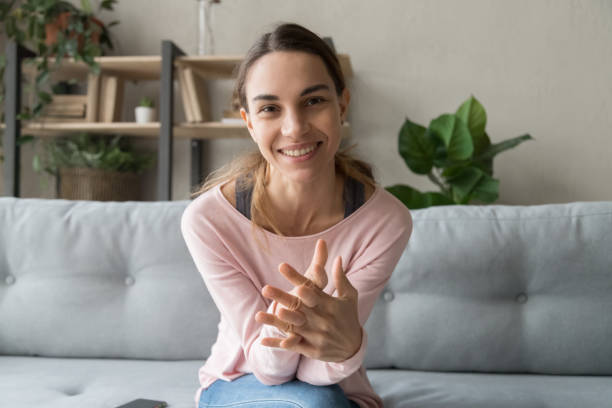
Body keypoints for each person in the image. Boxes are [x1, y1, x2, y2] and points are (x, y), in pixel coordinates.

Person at [181, 22, 412, 408]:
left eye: (313, 101)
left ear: (342, 105)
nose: (295, 128)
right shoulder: (209, 222)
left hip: (339, 392)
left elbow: (321, 372)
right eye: (270, 108)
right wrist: (293, 320)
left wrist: (345, 346)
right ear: (249, 122)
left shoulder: (385, 222)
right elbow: (268, 369)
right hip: (238, 381)